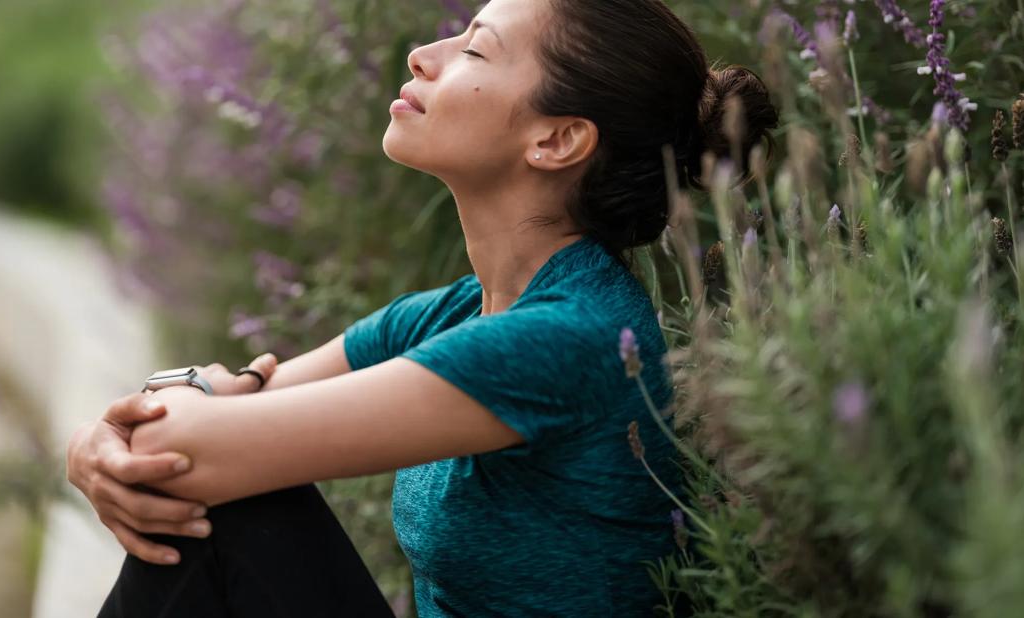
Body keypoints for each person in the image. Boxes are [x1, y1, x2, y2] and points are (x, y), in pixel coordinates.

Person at [66, 0, 779, 615]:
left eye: (472, 49)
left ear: (556, 140)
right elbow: (220, 414)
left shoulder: (567, 337)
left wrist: (136, 430)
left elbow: (180, 449)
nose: (422, 56)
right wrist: (101, 440)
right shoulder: (455, 313)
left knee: (235, 503)